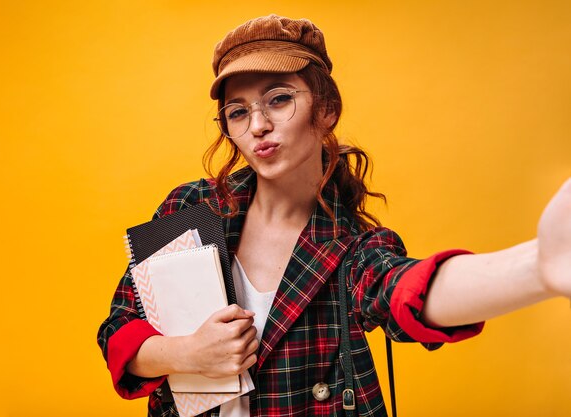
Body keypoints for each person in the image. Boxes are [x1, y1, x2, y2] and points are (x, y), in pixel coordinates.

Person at [97, 15, 571, 417]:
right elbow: (119, 329)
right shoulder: (190, 208)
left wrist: (536, 267)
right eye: (238, 112)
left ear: (325, 109)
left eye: (278, 99)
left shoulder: (355, 247)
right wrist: (187, 353)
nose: (258, 125)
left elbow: (408, 294)